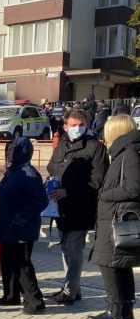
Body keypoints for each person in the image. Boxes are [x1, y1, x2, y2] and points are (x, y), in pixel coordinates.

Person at [45, 109, 108, 305]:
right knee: (65, 248)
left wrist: (68, 191)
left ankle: (70, 291)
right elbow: (52, 167)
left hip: (81, 206)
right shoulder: (62, 144)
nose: (77, 129)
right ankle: (72, 287)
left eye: (81, 125)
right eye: (73, 125)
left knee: (74, 249)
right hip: (60, 205)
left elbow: (97, 180)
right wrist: (52, 183)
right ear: (65, 127)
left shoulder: (95, 147)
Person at [86, 115, 139, 319]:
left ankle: (115, 312)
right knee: (120, 266)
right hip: (114, 217)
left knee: (108, 264)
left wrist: (106, 194)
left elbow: (134, 187)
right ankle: (126, 313)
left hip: (116, 220)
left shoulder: (129, 154)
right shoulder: (126, 152)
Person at [0, 137, 49, 314]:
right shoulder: (13, 171)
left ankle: (35, 301)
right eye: (8, 150)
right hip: (7, 226)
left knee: (22, 265)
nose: (9, 153)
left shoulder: (29, 173)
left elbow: (41, 200)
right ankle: (10, 295)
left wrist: (22, 216)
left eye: (12, 150)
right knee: (7, 262)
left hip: (22, 227)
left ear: (22, 151)